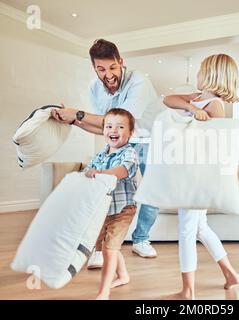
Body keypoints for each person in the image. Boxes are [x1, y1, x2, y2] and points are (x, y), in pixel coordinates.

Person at [51, 39, 164, 264]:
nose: (108, 75)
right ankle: (101, 246)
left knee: (151, 190)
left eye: (112, 67)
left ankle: (141, 239)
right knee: (106, 188)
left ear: (121, 62)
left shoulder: (139, 82)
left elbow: (121, 120)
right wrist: (73, 120)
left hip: (151, 139)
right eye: (101, 69)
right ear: (94, 68)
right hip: (121, 141)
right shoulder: (95, 87)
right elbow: (107, 127)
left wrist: (78, 114)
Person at [162, 54, 239, 300]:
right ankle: (230, 275)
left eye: (201, 69)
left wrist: (200, 120)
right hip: (190, 172)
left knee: (186, 229)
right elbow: (168, 99)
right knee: (200, 228)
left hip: (199, 177)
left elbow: (217, 147)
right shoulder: (197, 99)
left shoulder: (215, 104)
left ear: (212, 75)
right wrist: (191, 108)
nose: (197, 73)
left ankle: (188, 291)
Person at [84, 108, 137, 300]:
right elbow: (88, 173)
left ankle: (103, 292)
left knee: (109, 249)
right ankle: (123, 275)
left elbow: (122, 171)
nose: (113, 130)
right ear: (103, 130)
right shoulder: (100, 155)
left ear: (130, 132)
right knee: (107, 245)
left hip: (123, 208)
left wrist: (99, 174)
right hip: (104, 208)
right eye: (109, 126)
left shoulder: (129, 153)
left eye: (120, 126)